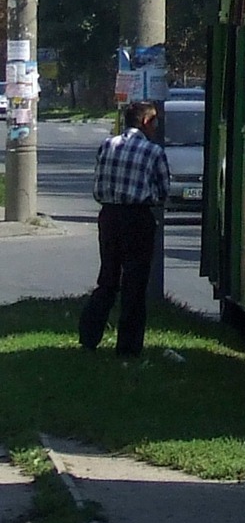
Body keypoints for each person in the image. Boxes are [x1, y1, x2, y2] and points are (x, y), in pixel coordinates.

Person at [79, 101, 170, 356]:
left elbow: (99, 179)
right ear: (145, 122)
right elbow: (163, 191)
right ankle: (128, 347)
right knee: (134, 282)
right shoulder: (153, 152)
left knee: (108, 277)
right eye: (154, 120)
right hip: (137, 218)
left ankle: (88, 335)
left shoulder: (108, 145)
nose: (156, 126)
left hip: (108, 215)